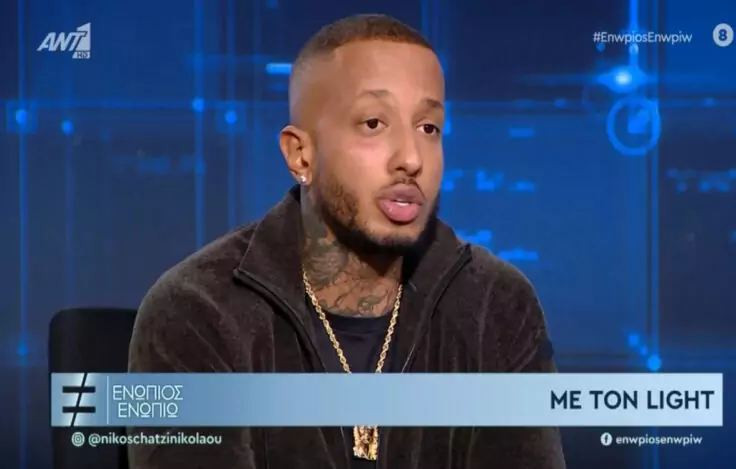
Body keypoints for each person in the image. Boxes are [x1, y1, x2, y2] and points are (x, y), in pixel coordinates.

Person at [128, 13, 566, 469]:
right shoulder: (198, 310)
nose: (411, 158)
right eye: (374, 123)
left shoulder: (496, 305)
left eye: (428, 128)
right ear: (301, 155)